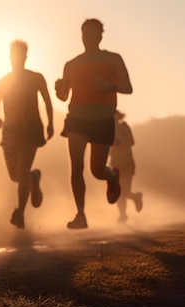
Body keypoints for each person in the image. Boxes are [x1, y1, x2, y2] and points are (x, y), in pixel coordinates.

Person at [55, 18, 132, 229]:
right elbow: (63, 96)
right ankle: (80, 215)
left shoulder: (113, 59)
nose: (88, 37)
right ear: (81, 36)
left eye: (92, 33)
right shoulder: (71, 64)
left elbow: (128, 87)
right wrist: (60, 90)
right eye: (84, 33)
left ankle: (111, 174)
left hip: (103, 119)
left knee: (96, 171)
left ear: (100, 35)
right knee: (76, 166)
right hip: (77, 118)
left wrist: (108, 86)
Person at [0, 40, 54, 229]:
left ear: (26, 57)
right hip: (10, 130)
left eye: (21, 56)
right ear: (10, 57)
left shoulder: (36, 78)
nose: (17, 59)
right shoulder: (2, 81)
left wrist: (51, 123)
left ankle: (20, 213)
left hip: (31, 128)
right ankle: (33, 178)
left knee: (22, 171)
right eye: (14, 56)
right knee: (15, 176)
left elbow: (47, 101)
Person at [109, 109, 143, 223]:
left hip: (127, 162)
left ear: (117, 116)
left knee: (125, 190)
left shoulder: (124, 126)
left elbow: (132, 141)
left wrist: (120, 141)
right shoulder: (107, 129)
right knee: (118, 191)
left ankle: (135, 198)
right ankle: (123, 214)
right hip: (114, 163)